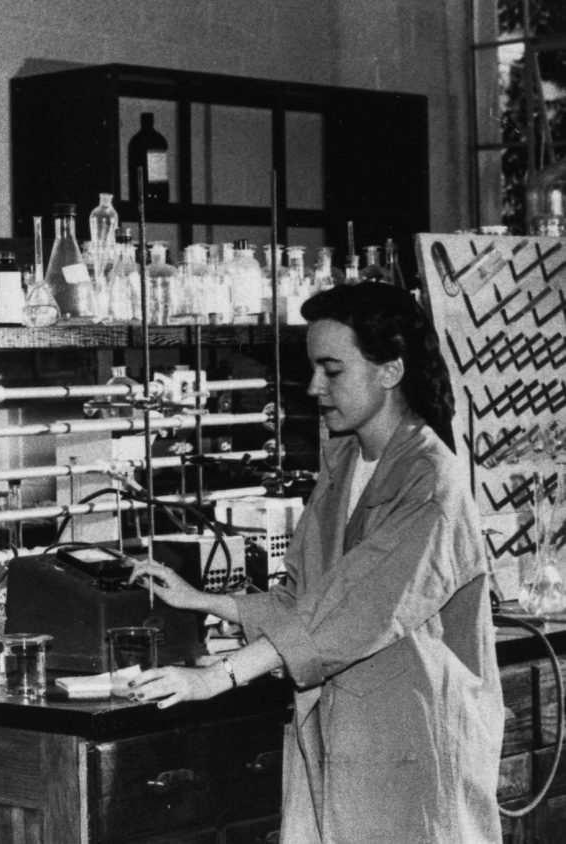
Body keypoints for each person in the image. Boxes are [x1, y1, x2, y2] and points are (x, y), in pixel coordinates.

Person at [129, 281, 503, 843]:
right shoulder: (346, 463)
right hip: (340, 731)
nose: (313, 387)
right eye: (313, 368)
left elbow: (354, 607)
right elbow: (306, 596)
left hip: (411, 740)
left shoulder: (430, 480)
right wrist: (205, 600)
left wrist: (217, 677)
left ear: (390, 371)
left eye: (332, 370)